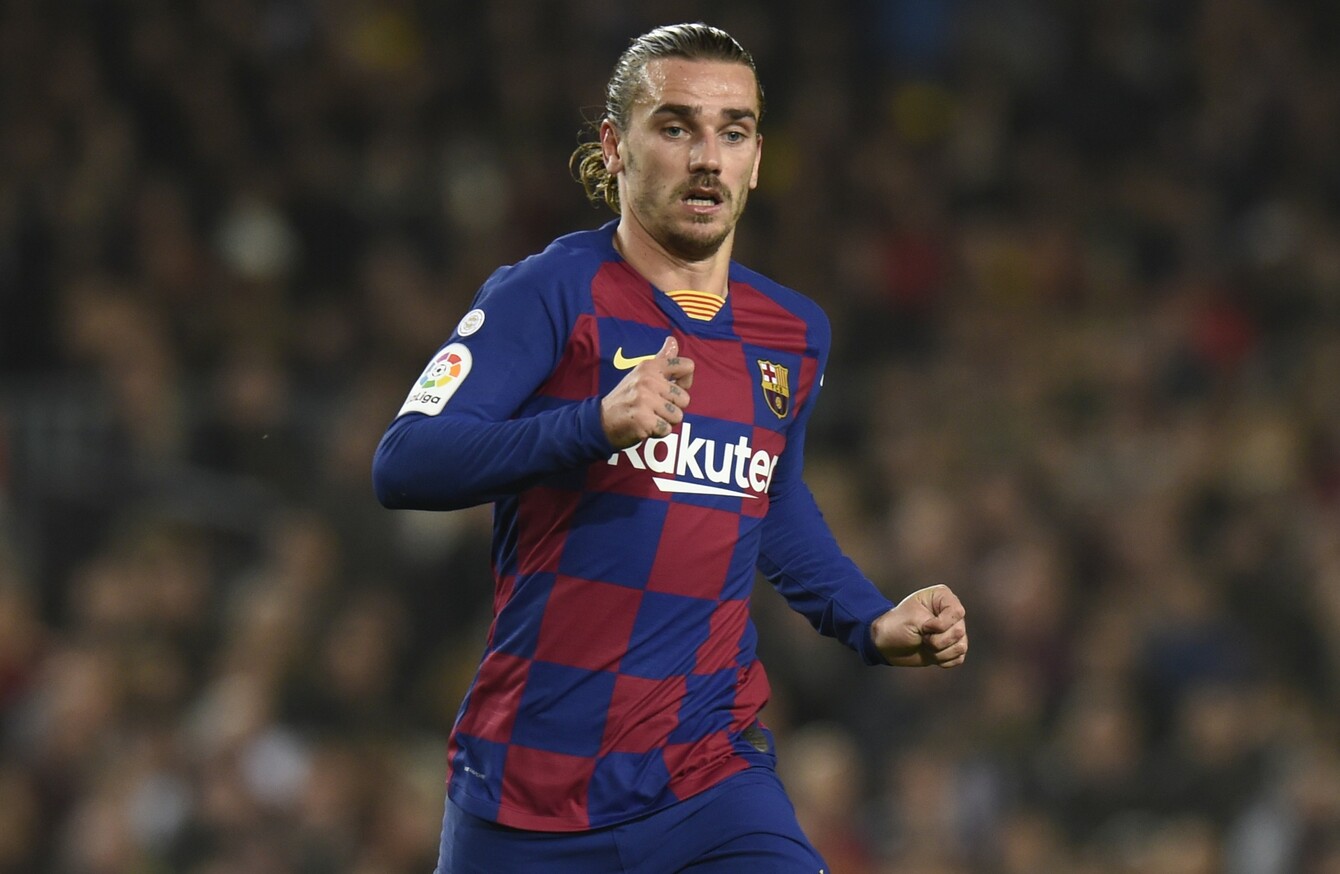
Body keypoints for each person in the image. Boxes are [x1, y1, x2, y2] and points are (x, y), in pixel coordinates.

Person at [372, 22, 968, 874]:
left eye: (733, 132)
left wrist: (868, 619)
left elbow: (771, 497)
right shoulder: (549, 292)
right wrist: (589, 425)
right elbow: (404, 462)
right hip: (530, 789)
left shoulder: (793, 332)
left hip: (708, 777)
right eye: (677, 126)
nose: (707, 158)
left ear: (756, 160)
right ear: (615, 147)